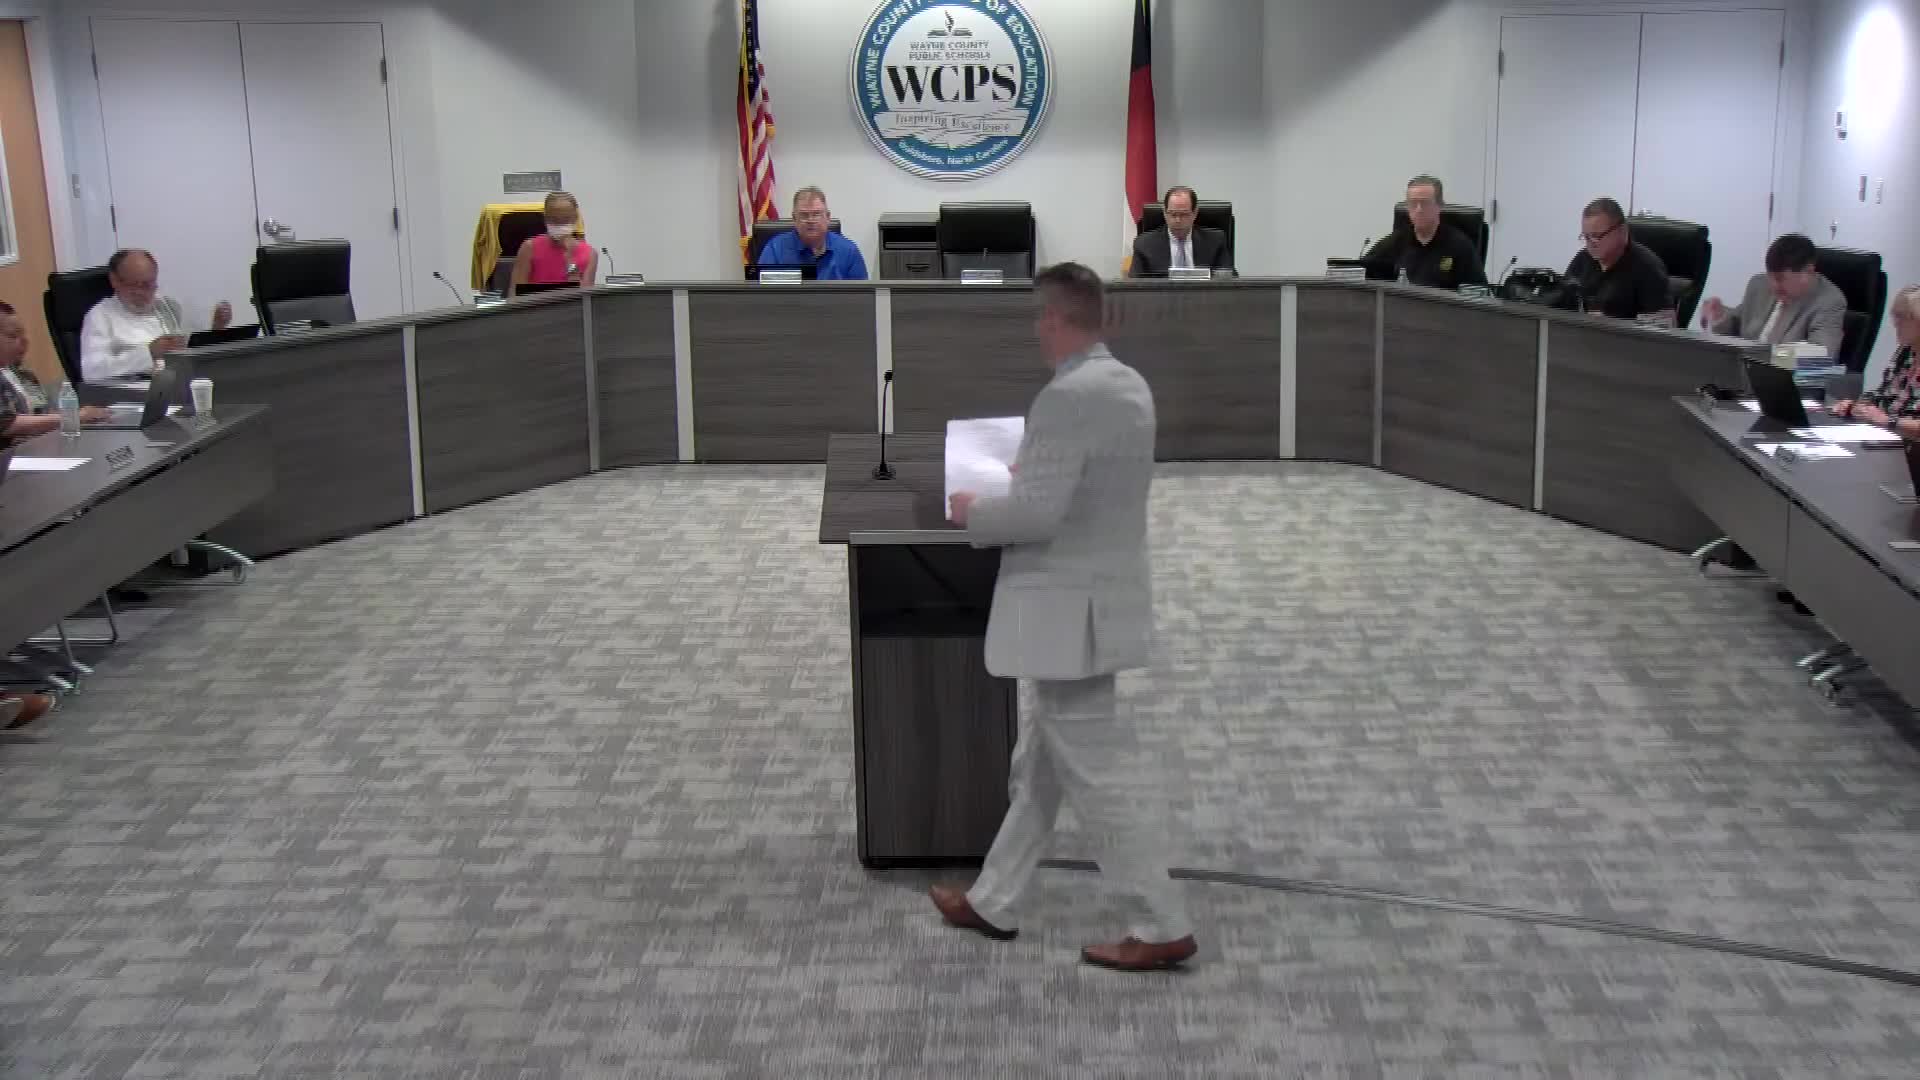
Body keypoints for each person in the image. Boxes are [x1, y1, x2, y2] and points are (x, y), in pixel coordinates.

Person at [933, 261, 1196, 973]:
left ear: (1053, 319)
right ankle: (995, 899)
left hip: (1066, 609)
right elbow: (1088, 487)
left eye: (1039, 320)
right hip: (1102, 598)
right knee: (1040, 767)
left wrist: (973, 511)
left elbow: (1036, 514)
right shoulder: (1128, 384)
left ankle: (1161, 921)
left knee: (1093, 774)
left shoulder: (1067, 397)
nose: (1037, 332)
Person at [79, 249, 232, 382]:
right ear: (114, 281)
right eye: (133, 285)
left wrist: (216, 327)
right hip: (133, 394)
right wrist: (148, 353)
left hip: (180, 383)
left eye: (148, 284)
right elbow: (92, 372)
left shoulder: (165, 305)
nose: (141, 292)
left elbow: (193, 344)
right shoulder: (100, 316)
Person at [1701, 233, 1846, 356]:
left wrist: (1765, 356)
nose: (1774, 286)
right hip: (1743, 372)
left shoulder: (1829, 301)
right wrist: (1720, 316)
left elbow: (1821, 356)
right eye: (1770, 277)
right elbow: (1736, 328)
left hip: (1782, 377)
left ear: (1808, 272)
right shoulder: (1759, 285)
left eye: (1780, 278)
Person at [0, 301, 110, 439]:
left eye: (23, 334)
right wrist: (73, 417)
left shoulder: (22, 373)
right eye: (13, 335)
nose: (24, 341)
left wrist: (82, 418)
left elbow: (43, 414)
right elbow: (6, 424)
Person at [1360, 174, 1487, 290]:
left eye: (1425, 203)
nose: (1419, 209)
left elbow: (1478, 292)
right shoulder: (1397, 240)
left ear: (1439, 206)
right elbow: (1362, 269)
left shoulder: (1460, 245)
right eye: (1413, 203)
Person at [1830, 284, 1920, 440]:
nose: (1896, 323)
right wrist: (1857, 407)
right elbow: (1884, 394)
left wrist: (1888, 421)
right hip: (1887, 438)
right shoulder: (1906, 351)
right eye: (1895, 316)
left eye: (1902, 317)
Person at [1565, 198, 1674, 322]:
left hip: (1623, 334)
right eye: (1586, 236)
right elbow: (1561, 303)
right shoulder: (1583, 259)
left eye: (1596, 236)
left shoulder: (1649, 268)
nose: (1590, 243)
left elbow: (1664, 325)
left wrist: (1612, 324)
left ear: (1622, 231)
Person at [756, 186, 869, 280]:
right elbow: (760, 292)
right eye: (804, 215)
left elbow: (862, 296)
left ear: (828, 217)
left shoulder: (848, 251)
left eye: (816, 214)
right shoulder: (775, 249)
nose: (810, 220)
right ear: (794, 219)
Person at [1127, 185, 1230, 277]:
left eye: (1184, 214)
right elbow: (1134, 286)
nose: (1178, 220)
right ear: (1164, 213)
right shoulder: (1144, 244)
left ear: (1195, 213)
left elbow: (1229, 280)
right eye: (1173, 214)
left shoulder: (1215, 241)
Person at [509, 191, 595, 295]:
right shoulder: (529, 248)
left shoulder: (590, 253)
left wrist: (570, 259)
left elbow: (585, 297)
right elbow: (514, 294)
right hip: (535, 305)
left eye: (566, 219)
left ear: (575, 218)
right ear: (545, 218)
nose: (560, 224)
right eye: (554, 219)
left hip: (571, 305)